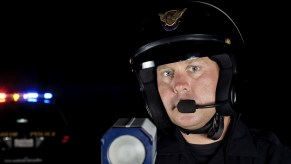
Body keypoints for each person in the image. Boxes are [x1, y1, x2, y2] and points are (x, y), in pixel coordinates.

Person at [129, 0, 291, 163]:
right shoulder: (136, 157)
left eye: (194, 68)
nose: (178, 86)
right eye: (167, 72)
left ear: (226, 78)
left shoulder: (274, 157)